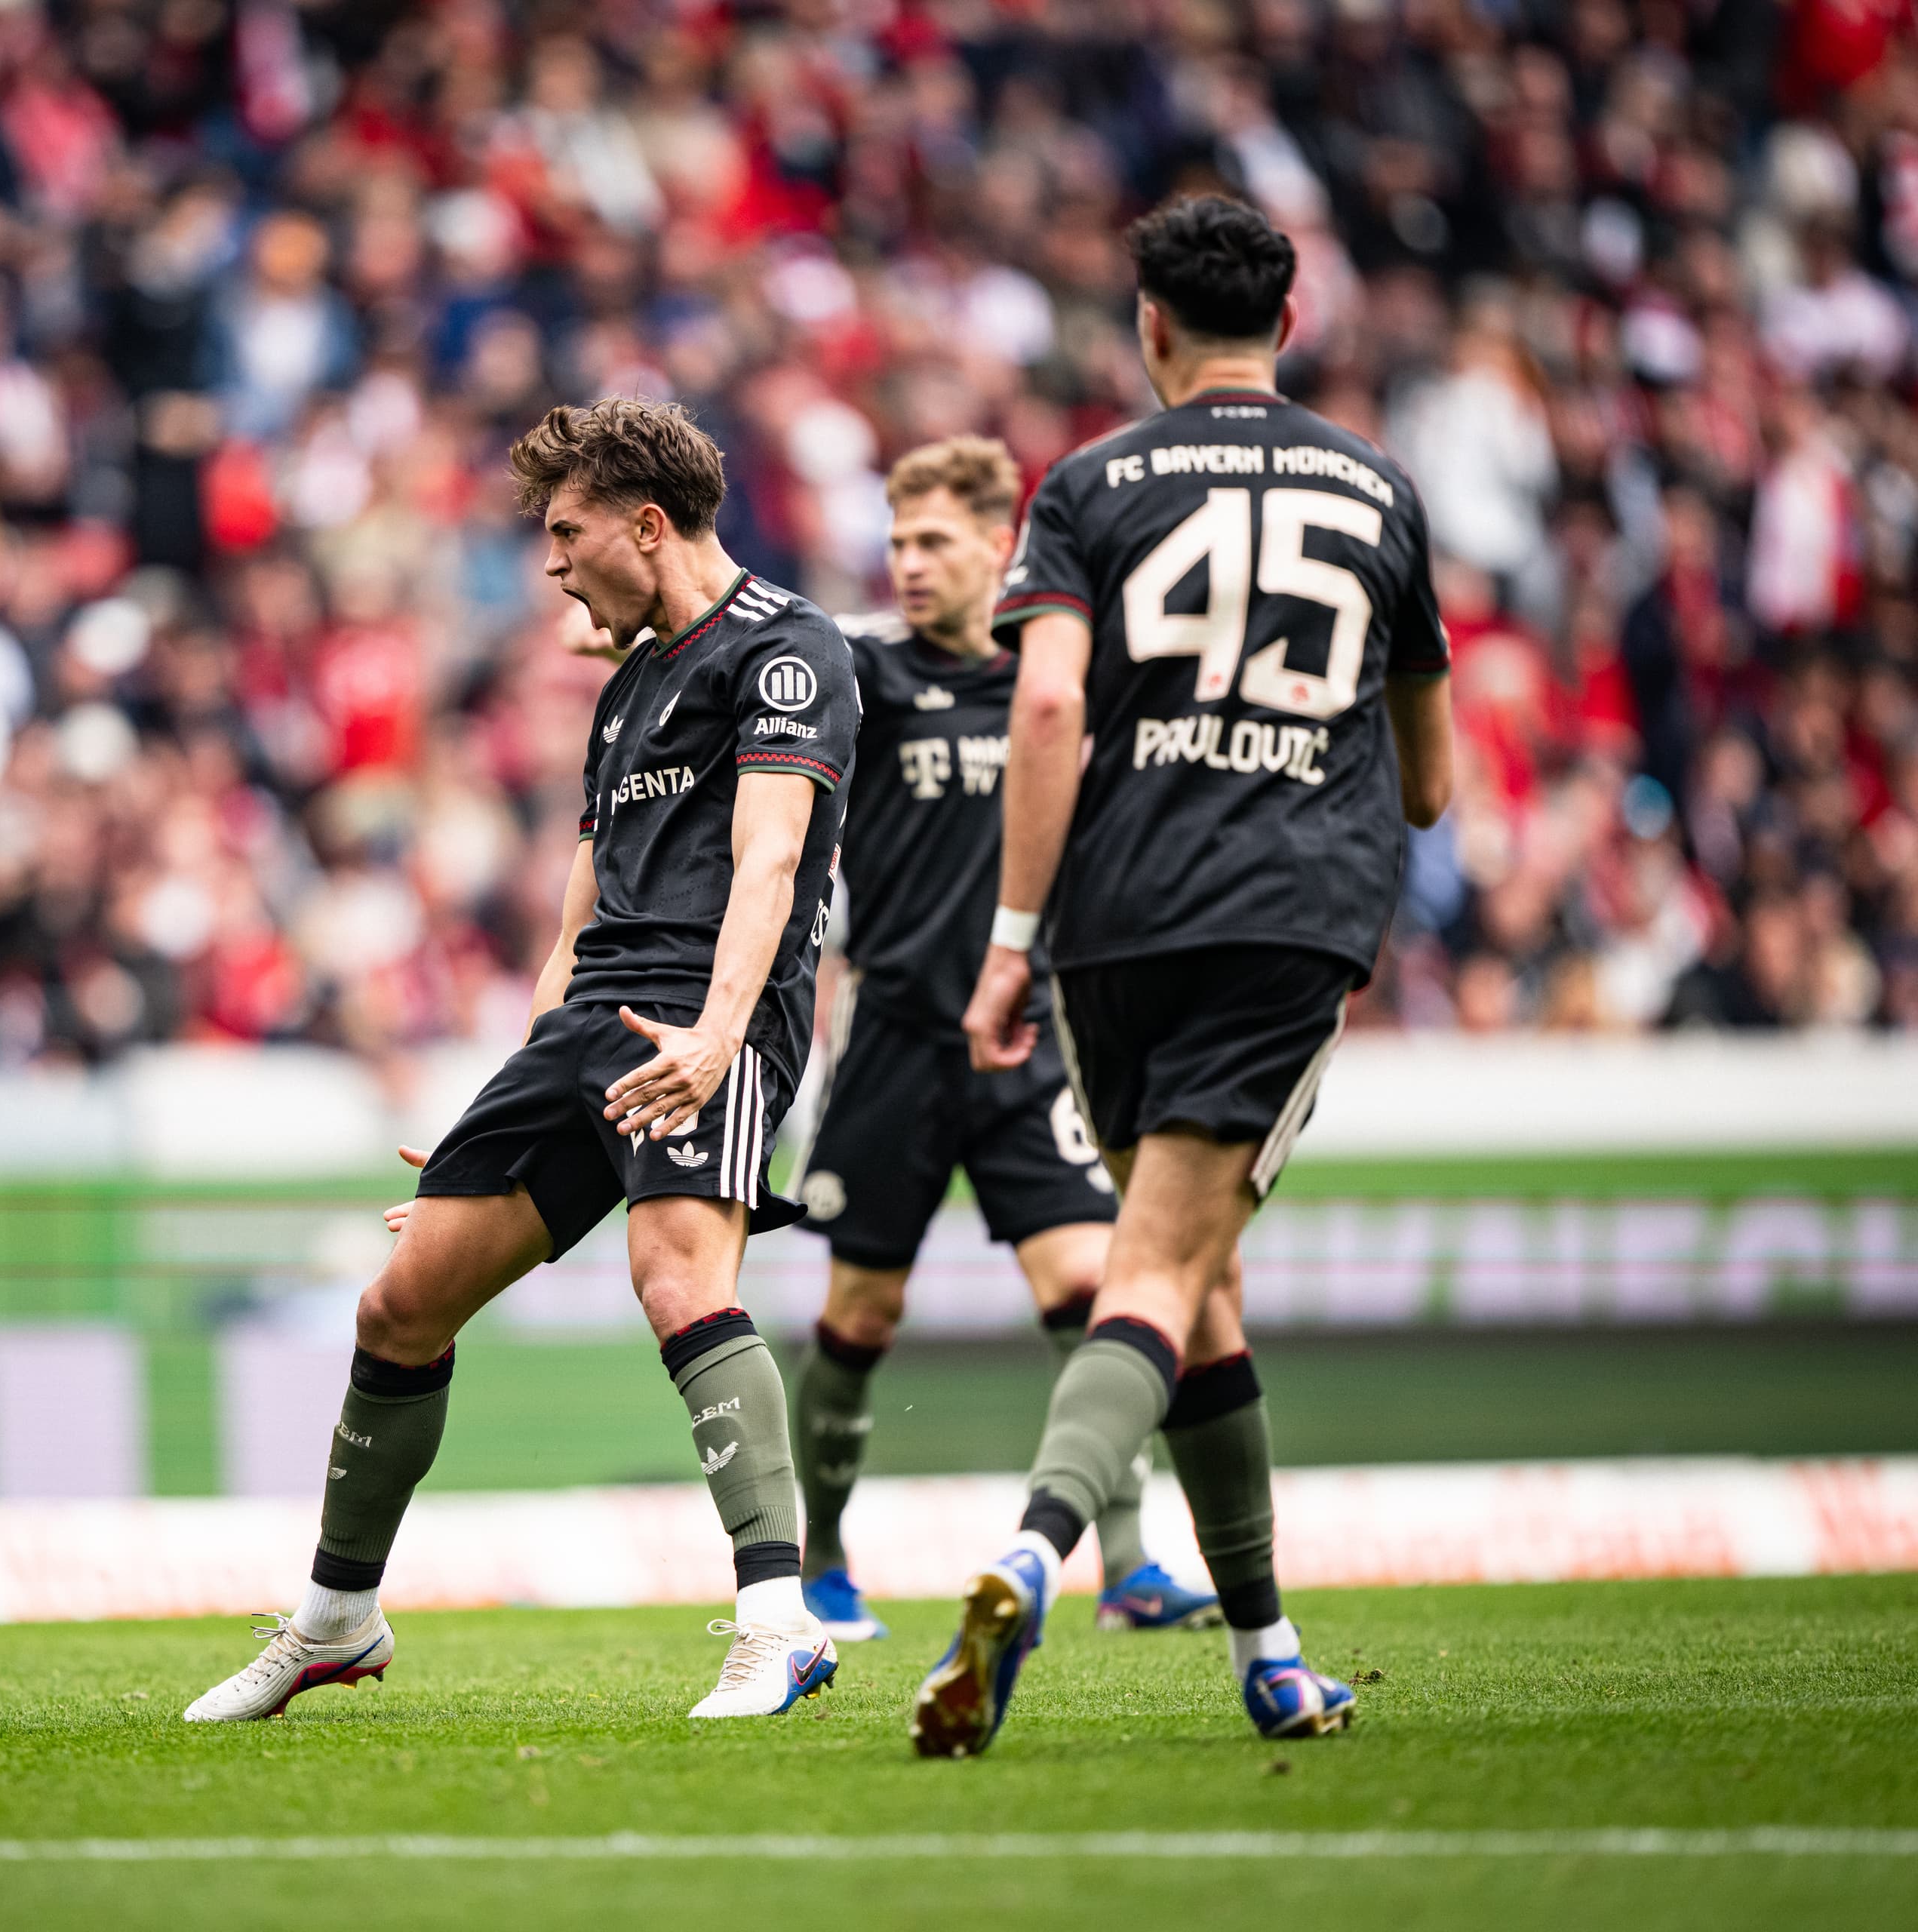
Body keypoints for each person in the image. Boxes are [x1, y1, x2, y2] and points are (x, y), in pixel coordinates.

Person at [184, 396, 860, 1723]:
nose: (551, 563)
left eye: (567, 533)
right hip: (590, 1025)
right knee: (401, 1304)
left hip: (702, 1013)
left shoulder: (789, 650)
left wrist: (723, 1035)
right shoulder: (626, 691)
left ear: (647, 525)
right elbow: (573, 920)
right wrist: (501, 1112)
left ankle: (779, 1621)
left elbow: (774, 858)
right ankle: (337, 1620)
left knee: (677, 1280)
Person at [914, 197, 1455, 1758]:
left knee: (1193, 1271)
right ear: (1289, 326)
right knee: (1163, 1268)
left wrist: (1008, 943)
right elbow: (1427, 784)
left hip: (1114, 919)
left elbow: (1042, 717)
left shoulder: (1086, 486)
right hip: (1285, 917)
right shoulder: (1382, 491)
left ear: (1148, 326)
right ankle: (1036, 1544)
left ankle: (1271, 1652)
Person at [789, 436, 1220, 1644]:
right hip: (894, 1038)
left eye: (934, 541)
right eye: (897, 540)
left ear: (998, 546)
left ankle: (1129, 1564)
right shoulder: (859, 667)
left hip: (1031, 1049)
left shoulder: (1056, 674)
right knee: (862, 1315)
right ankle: (821, 1560)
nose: (909, 563)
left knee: (1092, 1290)